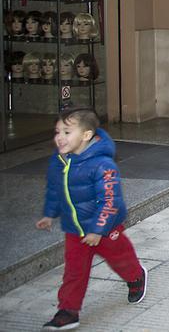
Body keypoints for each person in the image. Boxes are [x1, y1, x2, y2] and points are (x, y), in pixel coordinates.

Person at [37, 108, 147, 330]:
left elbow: (110, 200)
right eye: (57, 131)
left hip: (106, 229)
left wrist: (98, 229)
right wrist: (49, 214)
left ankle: (136, 277)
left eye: (67, 132)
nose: (60, 137)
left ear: (86, 135)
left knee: (121, 260)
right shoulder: (58, 162)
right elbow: (54, 190)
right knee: (74, 271)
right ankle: (68, 311)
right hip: (74, 230)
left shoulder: (102, 165)